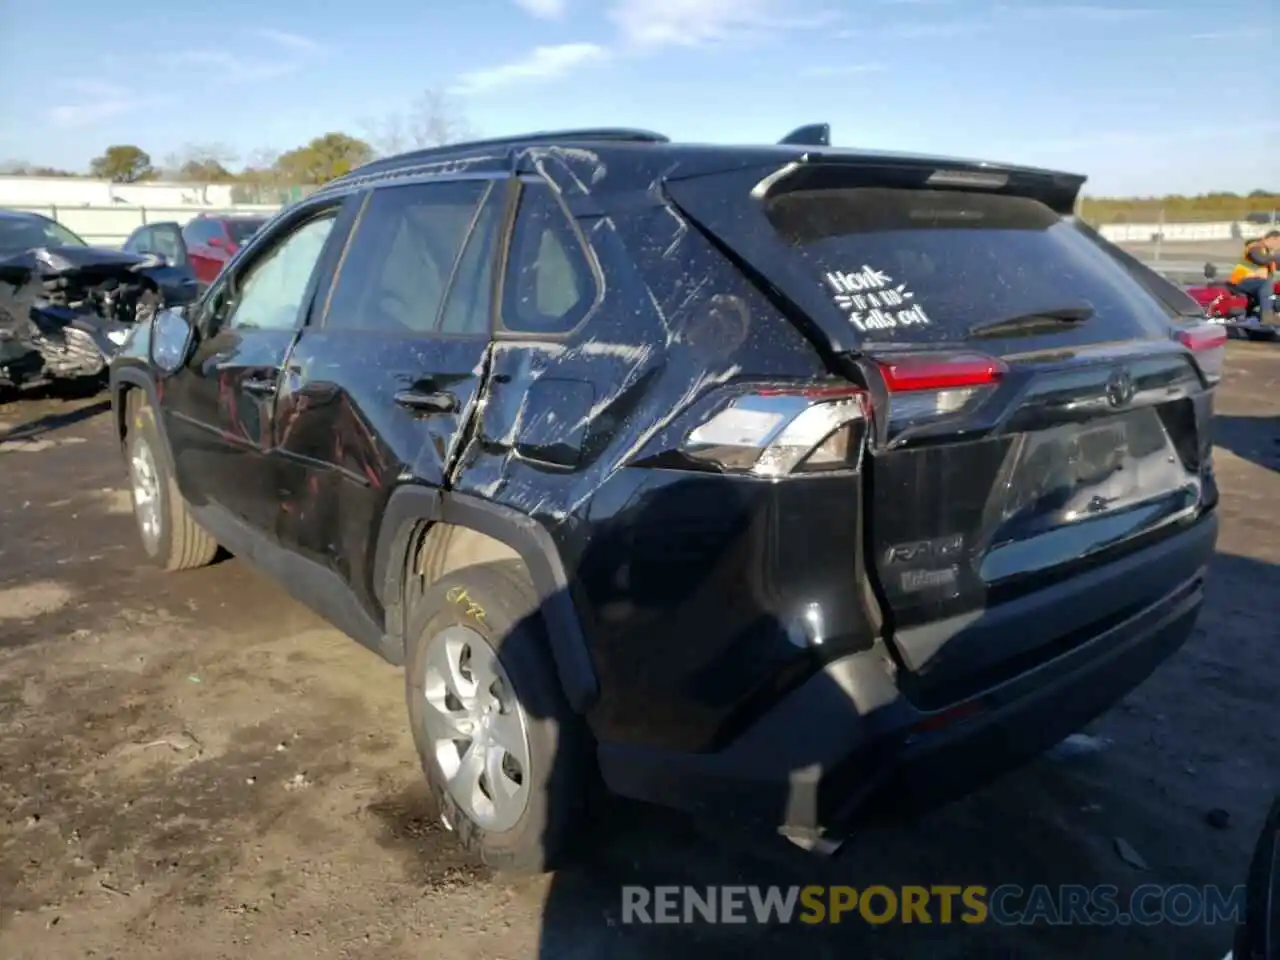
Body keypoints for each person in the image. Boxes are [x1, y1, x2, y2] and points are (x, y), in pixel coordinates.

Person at [1228, 232, 1279, 325]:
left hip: (1255, 284)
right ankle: (1267, 317)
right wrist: (1275, 256)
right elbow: (1260, 259)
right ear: (1273, 238)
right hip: (1241, 281)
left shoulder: (1268, 252)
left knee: (1273, 293)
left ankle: (1270, 315)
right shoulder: (1255, 247)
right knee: (1266, 283)